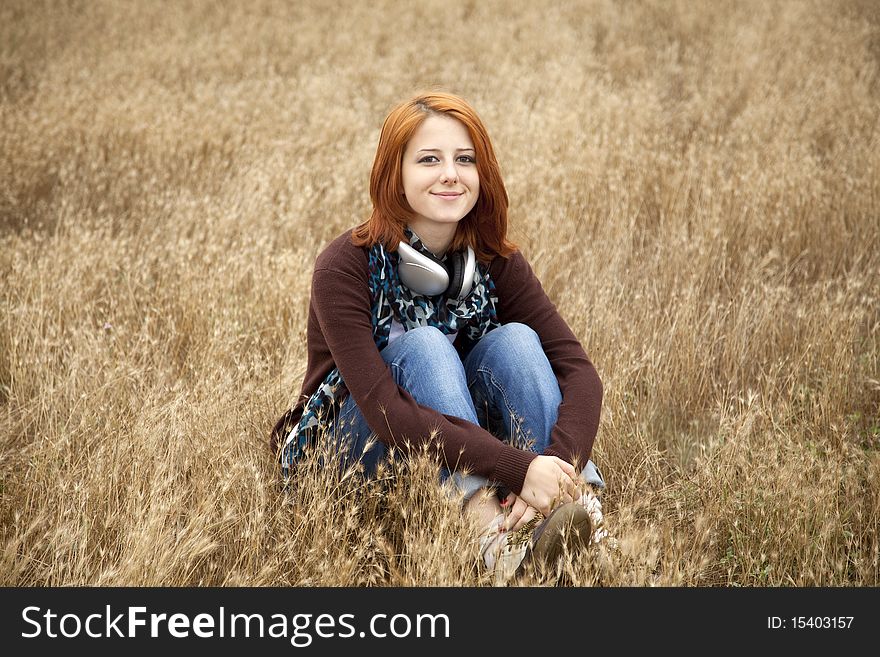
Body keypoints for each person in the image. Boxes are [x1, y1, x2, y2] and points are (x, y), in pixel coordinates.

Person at [270, 91, 608, 584]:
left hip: (453, 444)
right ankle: (496, 542)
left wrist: (553, 462)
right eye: (429, 159)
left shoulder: (495, 261)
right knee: (424, 344)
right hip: (349, 453)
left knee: (514, 342)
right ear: (395, 174)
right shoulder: (344, 265)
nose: (451, 173)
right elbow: (386, 411)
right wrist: (516, 467)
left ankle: (576, 513)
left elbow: (579, 372)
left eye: (465, 159)